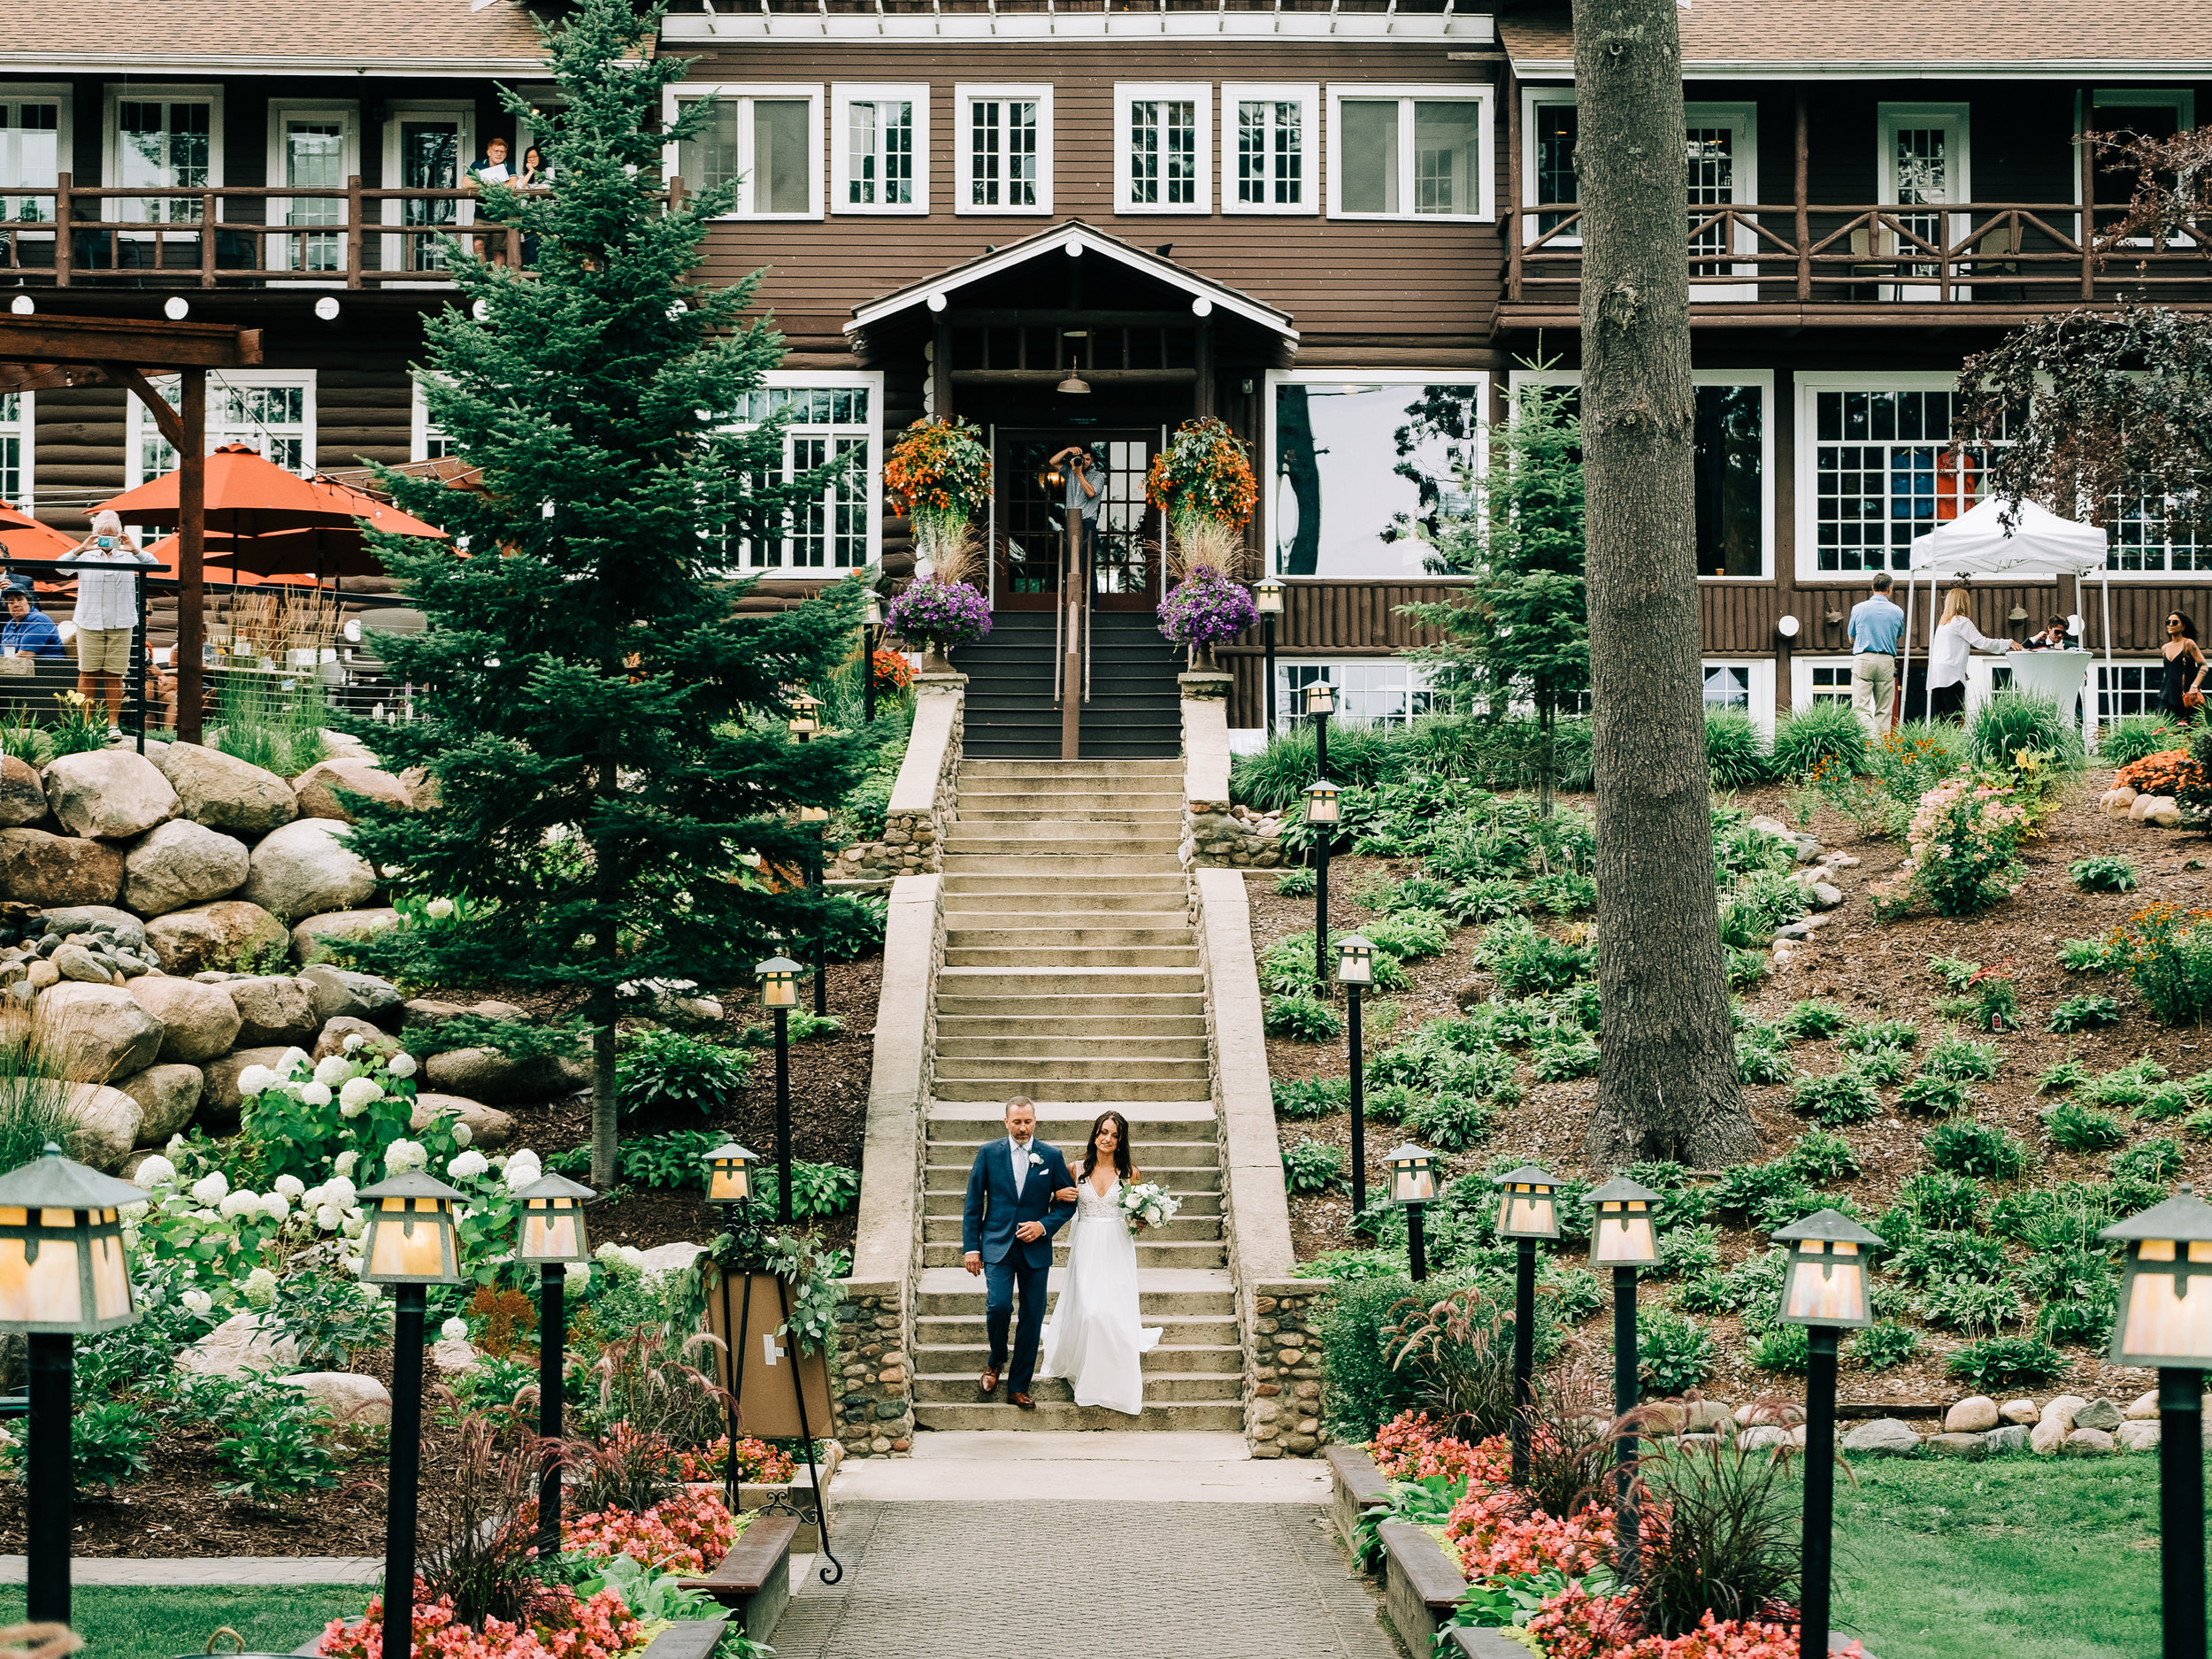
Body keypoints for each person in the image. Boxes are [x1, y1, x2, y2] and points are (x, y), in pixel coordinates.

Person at [1037, 1110, 1164, 1416]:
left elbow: (1134, 1216)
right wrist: (1056, 1194)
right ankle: (1088, 1377)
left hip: (1118, 1247)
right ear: (1095, 1134)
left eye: (1115, 1135)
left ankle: (1111, 1381)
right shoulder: (1075, 1169)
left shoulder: (1130, 1173)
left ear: (1121, 1141)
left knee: (1113, 1314)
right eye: (1103, 1132)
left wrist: (1142, 1220)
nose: (1107, 1139)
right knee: (1092, 1313)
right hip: (1087, 1246)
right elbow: (1057, 1205)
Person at [961, 1096, 1078, 1411]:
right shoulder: (988, 1153)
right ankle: (996, 1360)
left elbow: (1068, 1203)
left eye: (1028, 1122)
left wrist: (1043, 1225)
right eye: (1017, 1122)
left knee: (1032, 1316)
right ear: (1006, 1122)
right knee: (998, 1306)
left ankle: (1018, 1386)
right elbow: (973, 1203)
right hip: (997, 1246)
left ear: (1035, 1121)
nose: (1023, 1128)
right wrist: (972, 1247)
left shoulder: (1051, 1156)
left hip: (1035, 1251)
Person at [66, 510, 156, 740]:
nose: (106, 540)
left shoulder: (128, 555)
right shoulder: (85, 555)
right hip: (89, 621)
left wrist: (135, 549)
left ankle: (112, 724)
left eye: (111, 535)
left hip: (122, 621)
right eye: (101, 535)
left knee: (115, 674)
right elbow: (60, 568)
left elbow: (155, 567)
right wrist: (81, 548)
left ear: (120, 534)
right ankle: (85, 724)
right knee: (88, 673)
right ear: (94, 534)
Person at [1926, 586, 2016, 721]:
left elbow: (1944, 651)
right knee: (1954, 718)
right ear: (1964, 603)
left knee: (1939, 718)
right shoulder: (1961, 621)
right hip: (1952, 677)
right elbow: (1981, 642)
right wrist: (2007, 643)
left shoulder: (1943, 624)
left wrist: (1961, 669)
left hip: (1936, 675)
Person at [1846, 571, 1905, 742]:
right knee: (1884, 708)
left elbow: (1851, 638)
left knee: (1861, 707)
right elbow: (1897, 636)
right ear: (1890, 588)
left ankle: (1866, 743)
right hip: (1886, 660)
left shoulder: (1858, 609)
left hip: (1863, 658)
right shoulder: (1897, 611)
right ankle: (1880, 748)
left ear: (1872, 588)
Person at [1049, 443, 1102, 564]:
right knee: (1068, 562)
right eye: (1082, 460)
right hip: (1071, 521)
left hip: (1088, 522)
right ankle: (1067, 583)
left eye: (1088, 459)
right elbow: (1053, 462)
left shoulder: (1098, 476)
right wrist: (1068, 450)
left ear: (1092, 459)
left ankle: (1089, 584)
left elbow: (1091, 493)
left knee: (1088, 564)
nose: (1084, 462)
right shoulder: (1069, 472)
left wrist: (1079, 474)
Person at [467, 136, 515, 265]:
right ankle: (481, 281)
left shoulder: (509, 166)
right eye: (496, 151)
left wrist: (486, 184)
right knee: (478, 246)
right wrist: (491, 185)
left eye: (502, 152)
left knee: (499, 252)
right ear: (489, 152)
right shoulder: (478, 165)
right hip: (481, 215)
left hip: (501, 216)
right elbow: (466, 183)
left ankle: (497, 283)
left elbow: (512, 184)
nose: (499, 154)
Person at [2160, 612, 2208, 721]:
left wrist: (2194, 686)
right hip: (2167, 696)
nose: (2171, 624)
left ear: (2183, 626)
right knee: (2163, 731)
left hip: (2186, 696)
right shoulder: (2165, 648)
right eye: (2168, 622)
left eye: (2175, 622)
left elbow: (2204, 666)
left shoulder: (2188, 644)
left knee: (2188, 733)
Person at [0, 581, 62, 660]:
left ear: (28, 602)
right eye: (11, 601)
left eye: (20, 599)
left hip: (49, 669)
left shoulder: (38, 620)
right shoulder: (10, 624)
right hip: (20, 669)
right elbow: (3, 655)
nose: (16, 604)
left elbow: (24, 656)